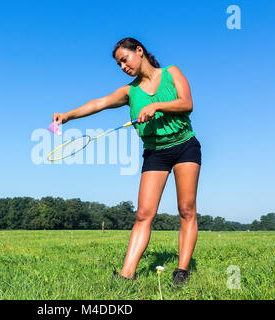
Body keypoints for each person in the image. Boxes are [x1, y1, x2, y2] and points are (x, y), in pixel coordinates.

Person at [52, 37, 201, 287]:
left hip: (184, 145)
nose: (123, 66)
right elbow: (99, 103)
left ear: (139, 51)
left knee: (186, 210)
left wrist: (157, 106)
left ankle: (182, 271)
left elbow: (187, 104)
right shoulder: (129, 91)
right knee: (143, 214)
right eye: (119, 64)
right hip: (155, 152)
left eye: (125, 59)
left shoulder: (171, 73)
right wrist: (68, 116)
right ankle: (127, 274)